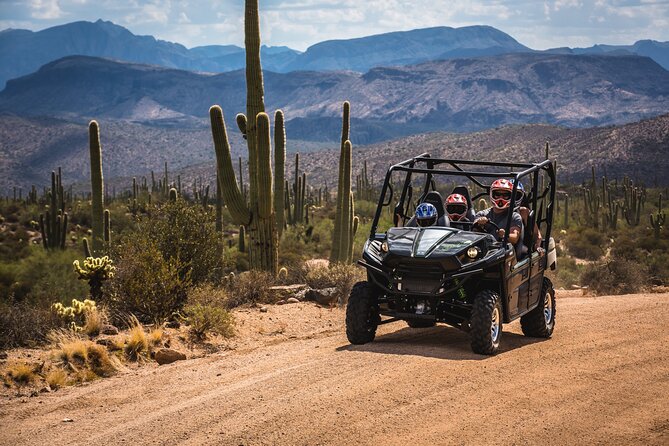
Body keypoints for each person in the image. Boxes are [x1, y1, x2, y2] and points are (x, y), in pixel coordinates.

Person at [473, 179, 524, 257]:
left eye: (505, 195)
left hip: (504, 254)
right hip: (481, 253)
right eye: (497, 194)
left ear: (511, 196)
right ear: (491, 194)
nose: (501, 198)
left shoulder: (514, 216)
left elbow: (515, 237)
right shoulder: (482, 214)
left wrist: (505, 235)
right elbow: (473, 230)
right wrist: (479, 223)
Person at [515, 181, 543, 253]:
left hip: (521, 248)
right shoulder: (498, 210)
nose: (512, 199)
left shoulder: (524, 211)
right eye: (509, 195)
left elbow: (537, 234)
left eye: (516, 195)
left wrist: (537, 246)